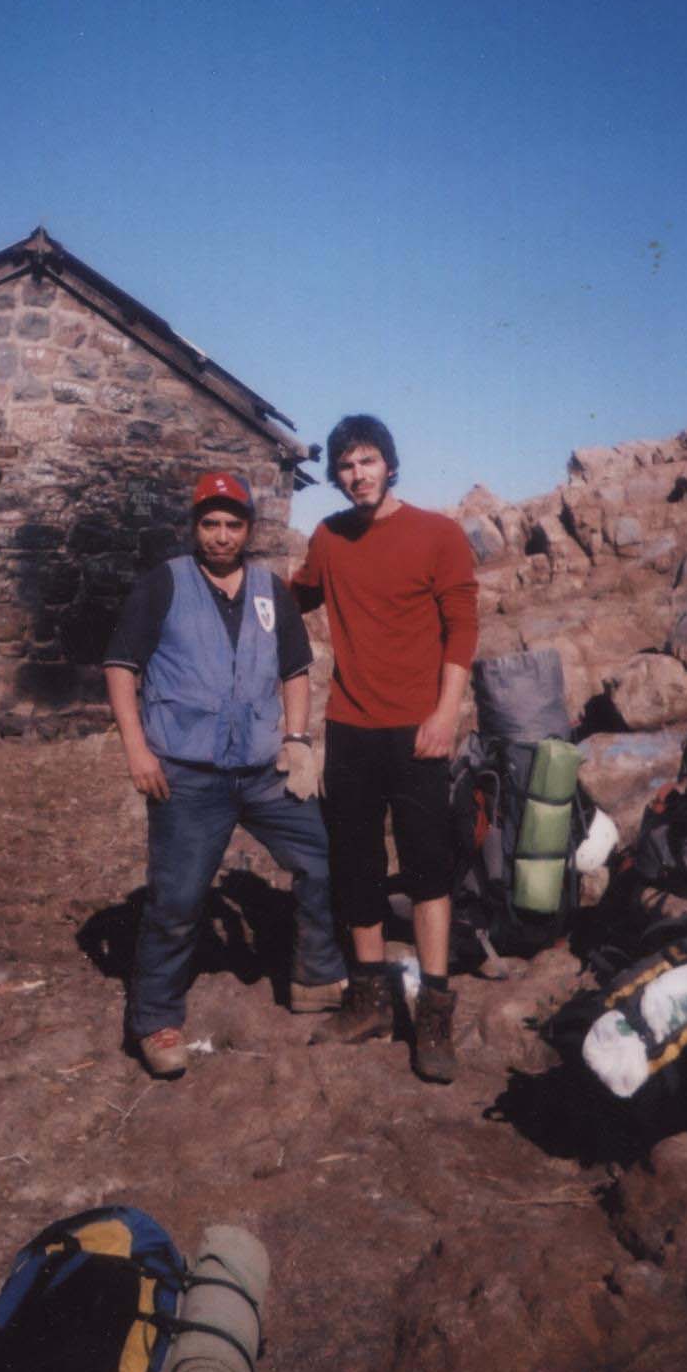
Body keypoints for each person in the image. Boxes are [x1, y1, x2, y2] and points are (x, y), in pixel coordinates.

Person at [104, 470, 348, 1078]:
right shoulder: (163, 585)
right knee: (179, 899)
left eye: (232, 524)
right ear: (195, 527)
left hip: (264, 770)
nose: (220, 536)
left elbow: (295, 670)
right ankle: (156, 1019)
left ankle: (315, 976)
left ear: (248, 529)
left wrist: (296, 740)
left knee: (321, 858)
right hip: (188, 775)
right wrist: (137, 751)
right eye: (209, 524)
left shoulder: (270, 592)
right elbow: (120, 666)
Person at [291, 415, 478, 1083]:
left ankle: (432, 1009)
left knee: (428, 867)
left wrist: (445, 712)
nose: (355, 474)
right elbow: (293, 598)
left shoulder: (438, 534)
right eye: (344, 465)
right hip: (349, 727)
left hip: (418, 728)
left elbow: (462, 627)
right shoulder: (329, 538)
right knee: (355, 865)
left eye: (366, 461)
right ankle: (367, 997)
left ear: (389, 465)